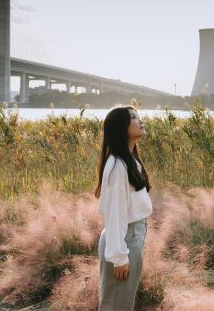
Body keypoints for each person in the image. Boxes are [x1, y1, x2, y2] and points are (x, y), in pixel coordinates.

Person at [95, 106, 153, 310]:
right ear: (122, 127)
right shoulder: (118, 166)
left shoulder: (130, 161)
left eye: (138, 115)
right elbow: (115, 214)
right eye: (134, 117)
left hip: (131, 236)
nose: (140, 120)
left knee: (121, 303)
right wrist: (119, 257)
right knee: (115, 304)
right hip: (124, 239)